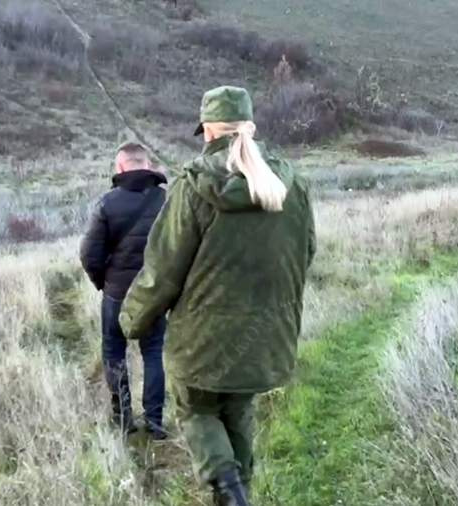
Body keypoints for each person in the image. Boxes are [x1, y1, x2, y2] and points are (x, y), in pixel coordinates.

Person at [119, 86, 316, 505]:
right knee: (239, 409)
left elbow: (162, 270)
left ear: (208, 131)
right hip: (265, 336)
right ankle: (238, 493)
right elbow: (306, 253)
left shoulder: (194, 187)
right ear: (250, 128)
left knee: (197, 409)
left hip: (202, 341)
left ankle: (230, 491)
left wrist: (131, 320)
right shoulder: (291, 185)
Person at [79, 142, 169, 439]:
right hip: (153, 292)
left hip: (116, 294)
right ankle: (155, 422)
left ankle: (123, 418)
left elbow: (89, 254)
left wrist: (103, 283)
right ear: (148, 164)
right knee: (153, 352)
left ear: (120, 167)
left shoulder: (107, 203)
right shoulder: (166, 201)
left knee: (114, 351)